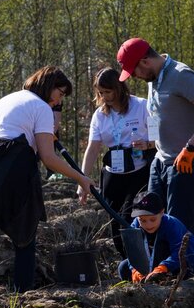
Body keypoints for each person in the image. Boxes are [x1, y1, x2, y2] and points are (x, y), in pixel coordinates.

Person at [0, 66, 95, 292]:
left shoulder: (7, 99)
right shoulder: (41, 107)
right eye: (60, 94)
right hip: (14, 169)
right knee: (24, 240)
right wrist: (81, 178)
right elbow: (48, 158)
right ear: (49, 86)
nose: (59, 101)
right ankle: (22, 298)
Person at [117, 38, 194, 231]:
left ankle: (182, 261)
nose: (135, 77)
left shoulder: (181, 75)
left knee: (179, 227)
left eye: (134, 72)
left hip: (184, 163)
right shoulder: (153, 79)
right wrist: (151, 145)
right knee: (151, 221)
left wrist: (191, 147)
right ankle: (160, 261)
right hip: (160, 162)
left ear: (145, 61)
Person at [78, 67, 153, 258]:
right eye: (101, 93)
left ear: (119, 88)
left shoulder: (142, 106)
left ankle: (143, 259)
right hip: (113, 172)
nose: (105, 96)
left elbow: (160, 137)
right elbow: (93, 148)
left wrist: (147, 144)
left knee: (128, 217)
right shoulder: (99, 115)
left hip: (138, 171)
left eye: (108, 91)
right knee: (114, 220)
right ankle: (127, 261)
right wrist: (82, 179)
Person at [118, 191, 194, 283]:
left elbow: (179, 253)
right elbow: (133, 253)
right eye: (143, 220)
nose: (148, 225)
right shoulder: (135, 226)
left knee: (181, 270)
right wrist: (134, 269)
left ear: (162, 212)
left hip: (179, 262)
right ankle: (134, 292)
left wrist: (163, 267)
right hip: (153, 261)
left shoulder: (172, 225)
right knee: (123, 267)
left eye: (152, 219)